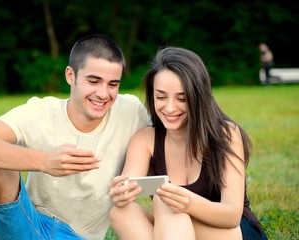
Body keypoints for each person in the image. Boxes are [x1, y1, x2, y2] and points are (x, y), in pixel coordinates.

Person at [0, 34, 150, 240]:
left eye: (113, 84)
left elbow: (170, 140)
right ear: (71, 76)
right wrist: (44, 161)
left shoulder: (130, 112)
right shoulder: (42, 112)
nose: (103, 93)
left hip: (77, 236)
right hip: (28, 223)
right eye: (93, 81)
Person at [109, 47, 268, 240]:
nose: (169, 107)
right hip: (173, 231)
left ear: (198, 97)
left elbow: (232, 215)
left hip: (232, 232)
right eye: (160, 97)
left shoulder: (225, 134)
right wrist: (122, 192)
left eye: (182, 98)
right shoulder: (145, 139)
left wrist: (187, 203)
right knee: (120, 212)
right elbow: (129, 183)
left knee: (166, 203)